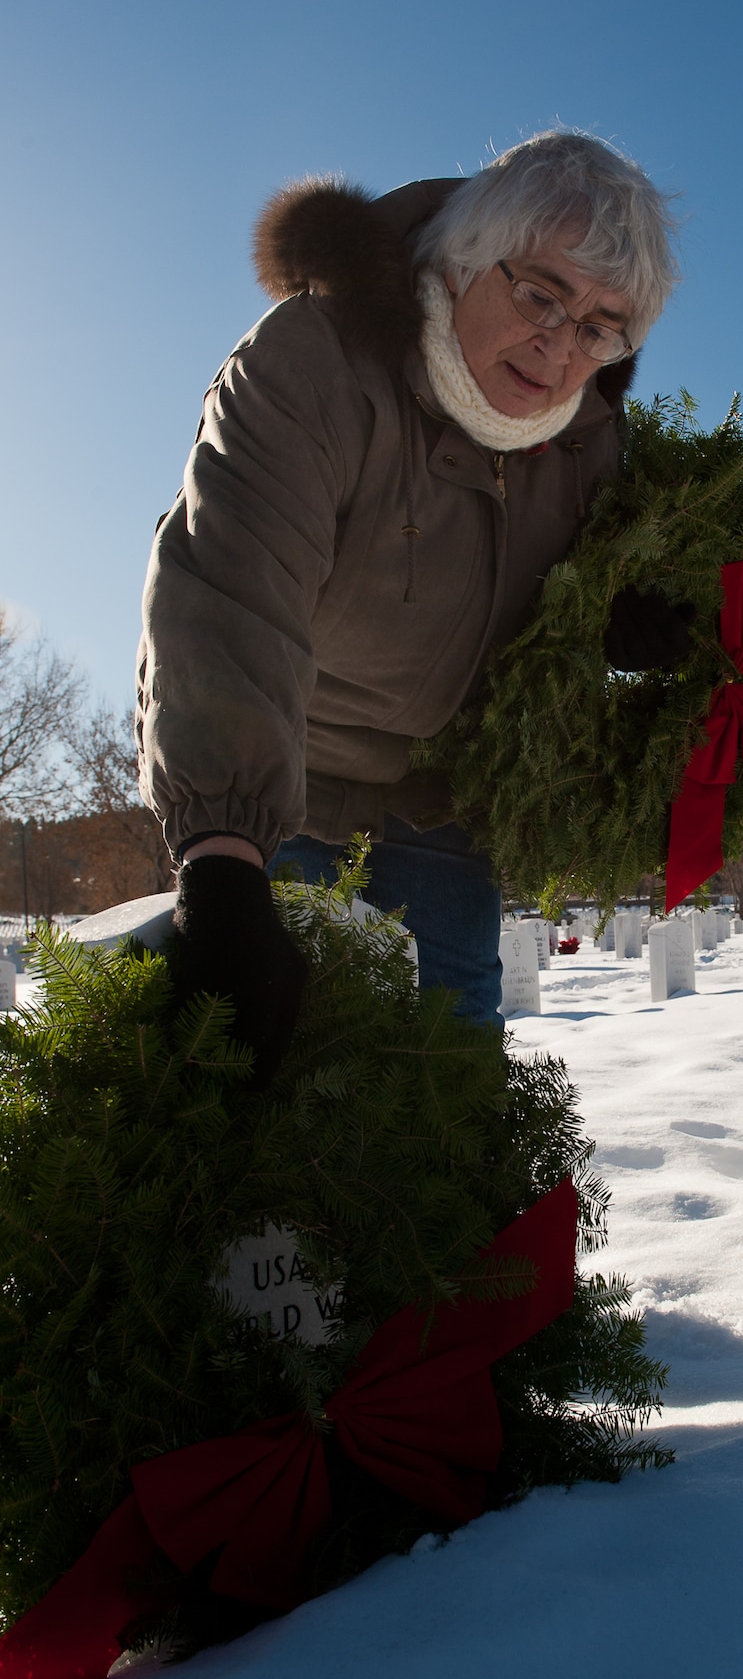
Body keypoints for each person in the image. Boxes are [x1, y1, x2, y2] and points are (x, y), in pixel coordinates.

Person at [137, 131, 683, 1076]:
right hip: (289, 781)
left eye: (601, 326)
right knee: (281, 1076)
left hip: (441, 802)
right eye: (540, 294)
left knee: (442, 1084)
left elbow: (534, 593)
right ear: (466, 257)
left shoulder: (590, 436)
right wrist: (224, 862)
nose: (559, 348)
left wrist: (612, 608)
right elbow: (231, 597)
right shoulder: (315, 364)